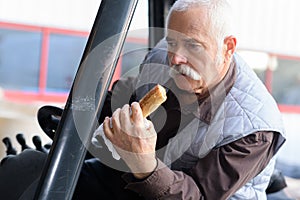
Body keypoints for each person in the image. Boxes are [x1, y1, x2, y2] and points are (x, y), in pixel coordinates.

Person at [0, 0, 286, 199]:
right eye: (173, 41)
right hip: (134, 179)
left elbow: (198, 195)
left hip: (176, 188)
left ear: (228, 48)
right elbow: (124, 98)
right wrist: (92, 117)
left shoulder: (254, 127)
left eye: (193, 46)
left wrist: (144, 162)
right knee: (26, 171)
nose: (176, 58)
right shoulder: (163, 54)